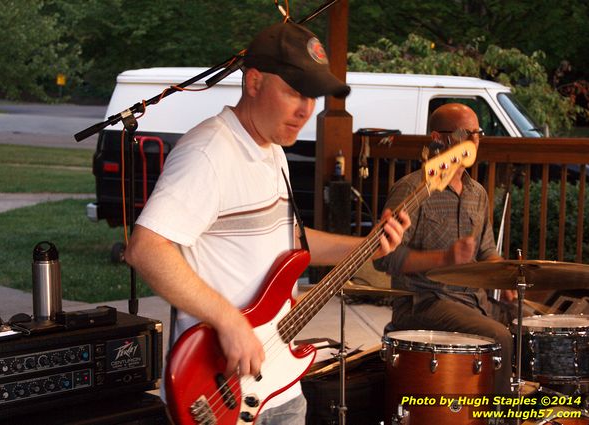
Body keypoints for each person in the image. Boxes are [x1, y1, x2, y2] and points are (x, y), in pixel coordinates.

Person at [125, 21, 410, 424]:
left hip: (277, 384)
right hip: (217, 383)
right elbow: (146, 248)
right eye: (294, 91)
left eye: (312, 96)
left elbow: (291, 240)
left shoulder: (272, 149)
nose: (305, 109)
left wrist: (366, 245)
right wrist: (229, 320)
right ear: (254, 82)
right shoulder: (209, 151)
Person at [374, 103, 516, 395]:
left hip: (474, 300)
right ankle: (500, 415)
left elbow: (487, 250)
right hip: (424, 301)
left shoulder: (478, 193)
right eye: (466, 133)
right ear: (438, 137)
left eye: (478, 133)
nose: (474, 141)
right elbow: (384, 257)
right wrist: (445, 258)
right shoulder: (412, 189)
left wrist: (507, 277)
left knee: (532, 321)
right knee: (499, 335)